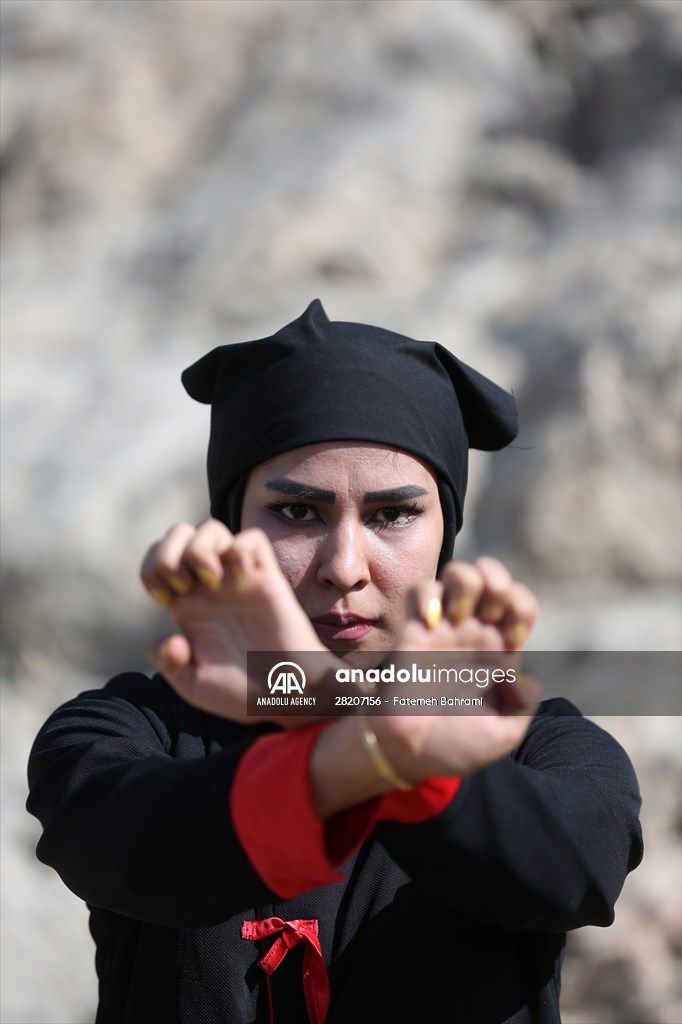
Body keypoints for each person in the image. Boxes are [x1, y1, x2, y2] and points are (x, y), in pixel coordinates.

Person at [27, 300, 643, 1024]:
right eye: (297, 512)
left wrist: (333, 710)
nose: (344, 566)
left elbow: (572, 870)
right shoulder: (125, 728)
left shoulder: (536, 741)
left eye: (392, 515)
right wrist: (364, 735)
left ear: (446, 536)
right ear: (232, 527)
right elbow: (129, 851)